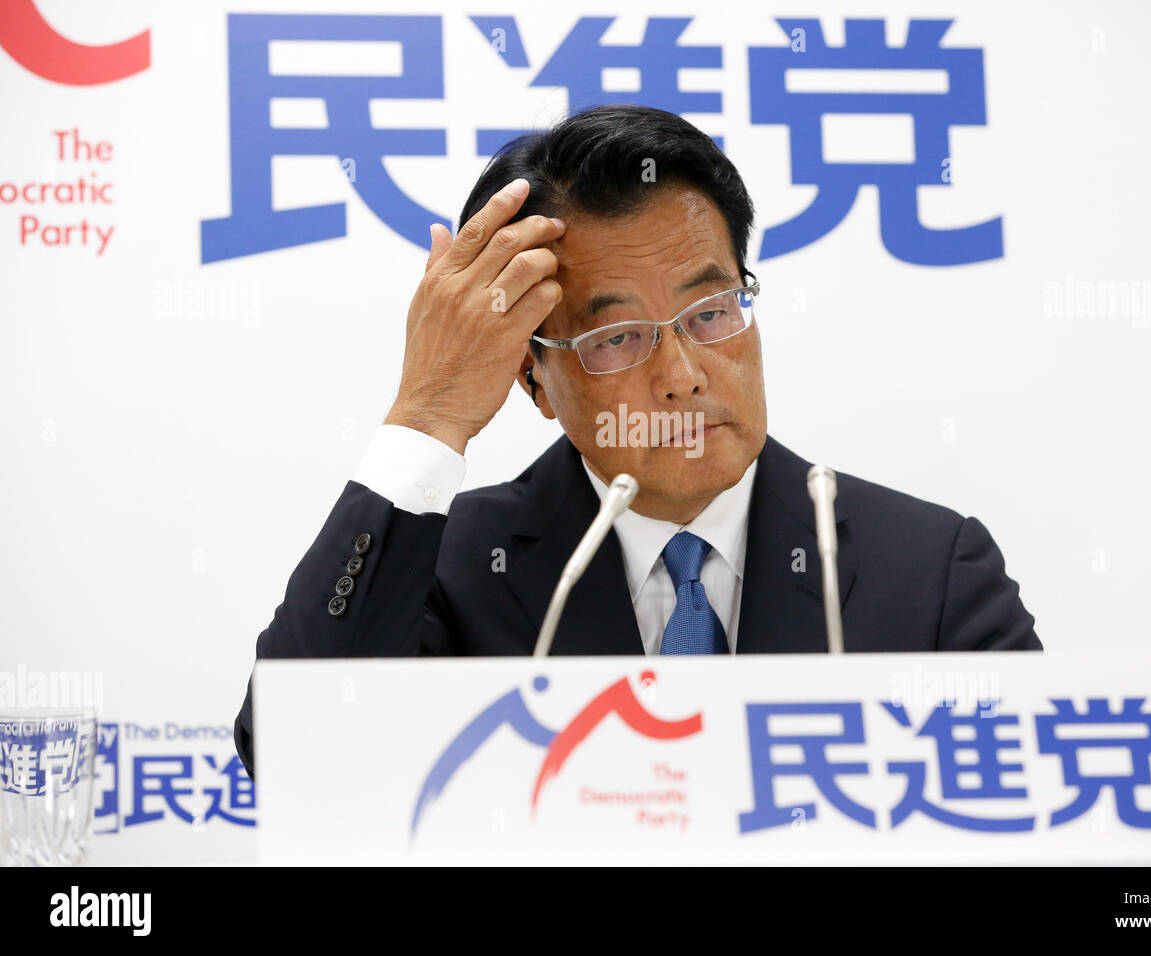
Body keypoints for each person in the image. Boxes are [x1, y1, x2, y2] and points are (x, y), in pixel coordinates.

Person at [233, 104, 1040, 780]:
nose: (683, 374)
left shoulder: (931, 571)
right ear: (534, 379)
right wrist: (430, 413)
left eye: (712, 310)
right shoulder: (453, 568)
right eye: (617, 336)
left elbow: (1039, 814)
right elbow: (295, 756)